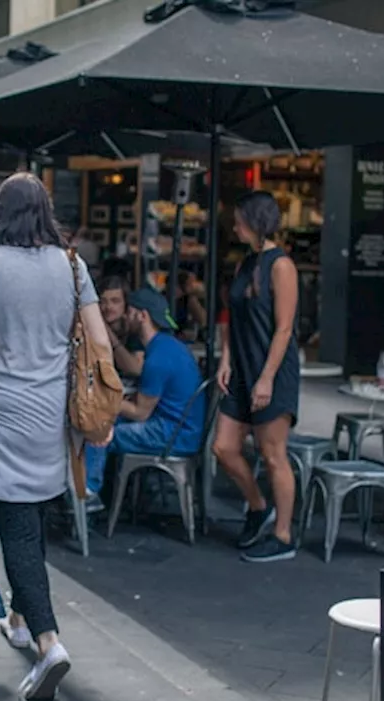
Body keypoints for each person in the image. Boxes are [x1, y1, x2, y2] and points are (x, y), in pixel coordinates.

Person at [0, 173, 113, 701]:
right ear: (45, 212)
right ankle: (17, 617)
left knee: (16, 530)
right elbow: (99, 341)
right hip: (52, 421)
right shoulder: (72, 265)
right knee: (29, 520)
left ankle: (48, 643)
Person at [211, 191, 300, 564]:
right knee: (223, 447)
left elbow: (283, 329)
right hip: (243, 368)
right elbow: (230, 317)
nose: (235, 226)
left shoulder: (282, 266)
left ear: (257, 221)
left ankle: (283, 534)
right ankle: (257, 506)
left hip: (273, 372)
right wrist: (225, 359)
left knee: (272, 453)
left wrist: (266, 379)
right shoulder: (245, 264)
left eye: (240, 220)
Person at [83, 288, 204, 513]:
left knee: (96, 428)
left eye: (129, 312)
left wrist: (102, 398)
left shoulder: (158, 357)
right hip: (181, 428)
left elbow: (140, 413)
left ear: (142, 316)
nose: (126, 317)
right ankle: (96, 490)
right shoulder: (169, 346)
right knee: (106, 419)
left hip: (171, 436)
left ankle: (88, 492)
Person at [99, 275, 145, 377]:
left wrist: (108, 333)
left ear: (125, 304)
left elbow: (135, 369)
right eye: (103, 301)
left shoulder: (134, 330)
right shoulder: (92, 330)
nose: (108, 307)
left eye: (115, 301)